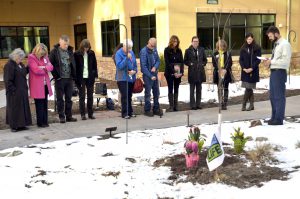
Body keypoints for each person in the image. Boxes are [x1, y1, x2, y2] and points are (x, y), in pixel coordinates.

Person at [263, 26, 292, 125]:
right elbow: (276, 59)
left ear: (276, 34)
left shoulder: (285, 44)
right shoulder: (277, 44)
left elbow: (285, 61)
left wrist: (272, 61)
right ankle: (274, 117)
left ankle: (279, 119)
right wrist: (269, 62)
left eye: (270, 36)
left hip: (280, 72)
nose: (269, 38)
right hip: (274, 72)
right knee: (272, 96)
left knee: (279, 96)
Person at [49, 35, 77, 123]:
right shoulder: (54, 52)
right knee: (60, 99)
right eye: (65, 44)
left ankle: (69, 116)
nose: (66, 46)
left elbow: (73, 63)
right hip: (60, 79)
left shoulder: (70, 51)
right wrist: (56, 76)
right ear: (60, 42)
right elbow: (50, 65)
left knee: (69, 98)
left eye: (67, 44)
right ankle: (61, 116)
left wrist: (73, 75)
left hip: (69, 79)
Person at [3, 48, 32, 132]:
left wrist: (29, 66)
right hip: (14, 92)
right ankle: (14, 126)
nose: (21, 60)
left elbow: (23, 72)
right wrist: (13, 90)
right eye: (19, 58)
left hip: (22, 90)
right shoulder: (9, 65)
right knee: (14, 108)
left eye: (22, 58)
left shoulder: (21, 64)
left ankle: (22, 125)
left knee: (22, 108)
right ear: (15, 56)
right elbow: (8, 80)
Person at [28, 43, 53, 128]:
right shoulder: (31, 57)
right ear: (37, 51)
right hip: (37, 86)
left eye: (44, 53)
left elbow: (51, 67)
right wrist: (45, 68)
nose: (43, 55)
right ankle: (40, 122)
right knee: (39, 105)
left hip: (45, 85)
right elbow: (36, 70)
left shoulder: (45, 57)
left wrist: (43, 67)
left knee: (45, 104)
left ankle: (45, 121)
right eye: (41, 53)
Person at [74, 39, 98, 120]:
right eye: (84, 48)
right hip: (81, 78)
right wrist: (76, 78)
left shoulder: (91, 53)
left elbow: (95, 64)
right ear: (82, 47)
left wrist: (95, 74)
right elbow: (75, 67)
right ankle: (82, 114)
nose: (86, 49)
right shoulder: (76, 54)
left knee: (90, 96)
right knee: (82, 96)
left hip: (90, 77)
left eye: (87, 48)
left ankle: (90, 114)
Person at [114, 39, 137, 119]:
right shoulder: (118, 54)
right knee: (125, 95)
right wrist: (126, 58)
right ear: (124, 46)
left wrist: (134, 71)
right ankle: (124, 113)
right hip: (122, 77)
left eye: (131, 48)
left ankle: (130, 112)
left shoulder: (131, 52)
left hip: (131, 77)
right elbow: (119, 66)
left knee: (129, 95)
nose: (130, 50)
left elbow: (134, 64)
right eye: (128, 48)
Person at [184, 36, 207, 110]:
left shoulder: (201, 49)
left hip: (200, 73)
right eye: (194, 41)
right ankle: (192, 105)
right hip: (192, 73)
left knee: (199, 90)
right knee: (192, 90)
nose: (195, 43)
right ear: (192, 42)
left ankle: (198, 104)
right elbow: (185, 61)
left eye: (197, 41)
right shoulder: (188, 50)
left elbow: (205, 60)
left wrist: (203, 64)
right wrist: (190, 64)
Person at [239, 33, 262, 111]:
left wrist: (252, 68)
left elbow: (258, 59)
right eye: (247, 39)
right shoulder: (243, 48)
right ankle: (251, 105)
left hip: (253, 71)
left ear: (253, 39)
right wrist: (243, 68)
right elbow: (241, 59)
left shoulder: (257, 47)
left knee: (248, 88)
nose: (249, 40)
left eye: (250, 39)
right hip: (245, 71)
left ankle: (244, 104)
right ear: (246, 39)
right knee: (249, 88)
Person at [140, 38, 161, 117]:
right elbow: (143, 67)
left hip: (154, 74)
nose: (153, 48)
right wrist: (150, 75)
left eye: (154, 46)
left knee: (156, 92)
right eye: (152, 46)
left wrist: (155, 67)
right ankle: (147, 110)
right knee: (148, 93)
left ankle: (156, 109)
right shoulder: (143, 52)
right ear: (148, 43)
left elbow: (158, 60)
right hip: (147, 76)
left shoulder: (154, 49)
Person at [164, 35, 184, 112]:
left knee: (176, 88)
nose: (175, 43)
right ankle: (171, 106)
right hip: (170, 72)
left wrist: (180, 72)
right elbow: (167, 62)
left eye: (176, 41)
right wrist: (174, 72)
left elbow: (181, 62)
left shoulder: (179, 50)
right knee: (170, 88)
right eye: (174, 41)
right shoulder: (167, 50)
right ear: (171, 42)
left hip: (178, 72)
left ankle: (176, 106)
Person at [212, 39, 233, 110]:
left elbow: (230, 63)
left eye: (223, 46)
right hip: (218, 73)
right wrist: (219, 69)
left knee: (226, 88)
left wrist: (225, 69)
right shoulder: (215, 54)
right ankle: (220, 103)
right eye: (220, 46)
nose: (221, 47)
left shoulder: (228, 53)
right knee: (219, 88)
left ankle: (225, 103)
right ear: (218, 46)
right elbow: (214, 63)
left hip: (226, 73)